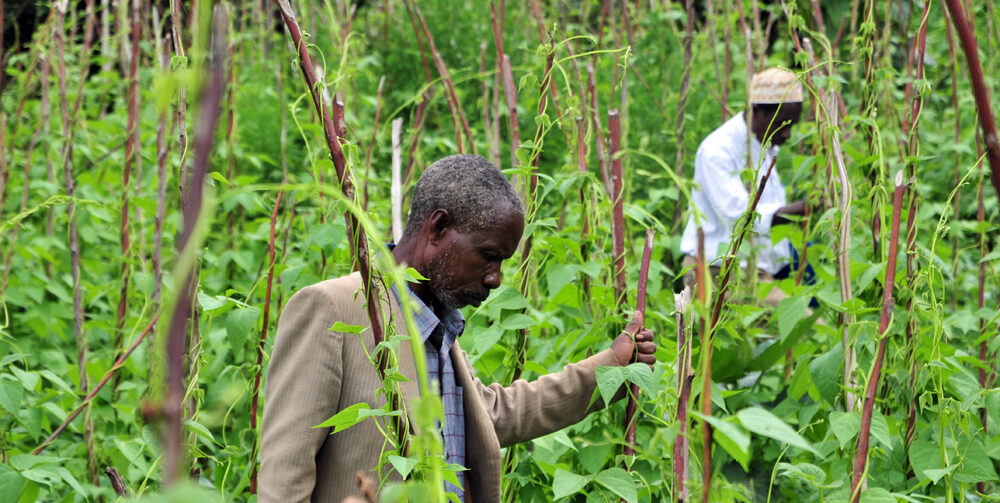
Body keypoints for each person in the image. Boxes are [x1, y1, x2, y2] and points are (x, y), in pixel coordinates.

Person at [259, 154, 656, 503]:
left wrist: (611, 368)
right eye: (488, 256)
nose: (495, 279)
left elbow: (490, 415)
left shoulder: (438, 322)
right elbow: (283, 480)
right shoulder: (333, 308)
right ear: (438, 228)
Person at [679, 67, 810, 306]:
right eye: (783, 124)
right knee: (810, 333)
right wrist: (803, 207)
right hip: (719, 272)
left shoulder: (765, 145)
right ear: (757, 111)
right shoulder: (718, 151)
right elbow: (741, 218)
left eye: (794, 125)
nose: (789, 134)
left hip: (761, 271)